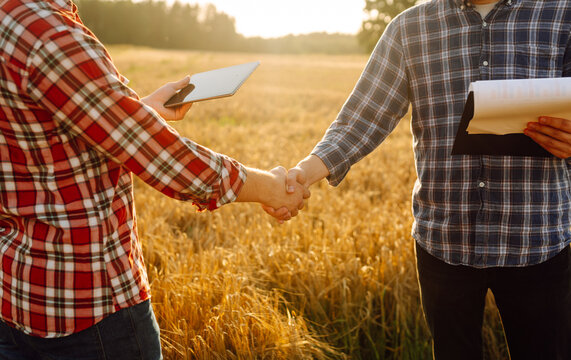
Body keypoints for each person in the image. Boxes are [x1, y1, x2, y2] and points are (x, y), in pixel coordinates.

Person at [0, 0, 308, 358]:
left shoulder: (10, 18)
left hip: (17, 293)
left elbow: (36, 141)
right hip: (92, 309)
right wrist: (270, 187)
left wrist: (135, 110)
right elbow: (163, 158)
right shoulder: (45, 33)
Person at [266, 0, 571, 358]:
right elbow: (360, 120)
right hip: (443, 242)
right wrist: (302, 174)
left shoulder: (561, 13)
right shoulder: (408, 28)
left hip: (538, 241)